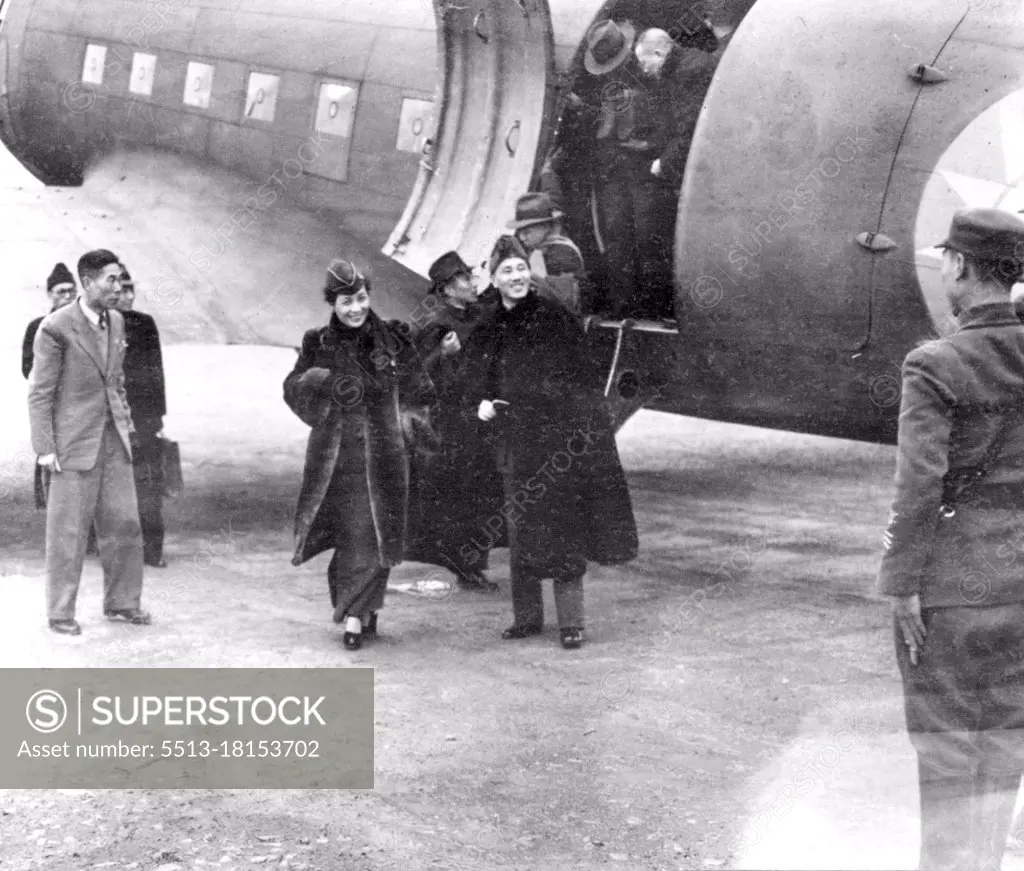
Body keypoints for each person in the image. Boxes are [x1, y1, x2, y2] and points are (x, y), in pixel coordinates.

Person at [878, 207, 1024, 871]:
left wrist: (901, 584)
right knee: (1003, 750)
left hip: (952, 591)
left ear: (962, 267)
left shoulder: (933, 363)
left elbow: (919, 488)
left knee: (945, 755)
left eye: (947, 261)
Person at [460, 236, 638, 649]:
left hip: (556, 444)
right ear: (494, 278)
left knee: (562, 529)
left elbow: (582, 383)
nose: (517, 276)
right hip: (512, 445)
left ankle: (571, 622)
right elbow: (471, 381)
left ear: (530, 270)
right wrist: (480, 405)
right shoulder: (488, 327)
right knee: (519, 530)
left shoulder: (556, 319)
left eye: (521, 268)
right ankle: (527, 619)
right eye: (507, 270)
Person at [284, 258, 436, 651]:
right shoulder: (317, 342)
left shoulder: (394, 338)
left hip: (386, 457)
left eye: (361, 298)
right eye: (345, 301)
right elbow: (292, 387)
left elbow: (422, 391)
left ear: (369, 296)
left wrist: (408, 423)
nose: (355, 308)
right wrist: (321, 380)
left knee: (374, 535)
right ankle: (363, 611)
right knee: (352, 537)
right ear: (331, 303)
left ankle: (353, 617)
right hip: (336, 460)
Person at [28, 249, 150, 635]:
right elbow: (39, 393)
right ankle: (60, 612)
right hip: (72, 446)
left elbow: (115, 381)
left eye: (120, 280)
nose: (118, 287)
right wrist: (45, 449)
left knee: (125, 524)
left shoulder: (116, 321)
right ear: (88, 282)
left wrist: (127, 426)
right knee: (68, 531)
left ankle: (123, 603)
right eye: (110, 280)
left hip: (114, 440)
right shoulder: (55, 327)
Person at [593, 27, 712, 319]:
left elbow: (684, 125)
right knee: (628, 237)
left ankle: (654, 309)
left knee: (648, 239)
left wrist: (663, 160)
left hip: (648, 165)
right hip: (632, 165)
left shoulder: (676, 72)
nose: (643, 69)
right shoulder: (661, 70)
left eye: (645, 62)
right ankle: (636, 309)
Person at [405, 251, 501, 592]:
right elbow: (416, 376)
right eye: (464, 278)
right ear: (447, 288)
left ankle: (470, 564)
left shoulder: (467, 312)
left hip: (476, 418)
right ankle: (465, 566)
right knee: (462, 497)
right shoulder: (437, 323)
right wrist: (444, 356)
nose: (472, 282)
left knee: (478, 494)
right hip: (451, 424)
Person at [113, 264, 168, 568]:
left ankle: (153, 549)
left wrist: (158, 418)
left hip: (144, 416)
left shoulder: (145, 324)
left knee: (148, 483)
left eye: (131, 289)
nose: (128, 296)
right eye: (122, 290)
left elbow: (156, 371)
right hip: (113, 415)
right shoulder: (103, 324)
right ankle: (111, 548)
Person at [22, 262, 78, 509]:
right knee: (51, 458)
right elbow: (27, 367)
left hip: (82, 406)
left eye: (70, 290)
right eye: (60, 292)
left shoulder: (84, 324)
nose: (67, 297)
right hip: (53, 404)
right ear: (50, 295)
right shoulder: (38, 326)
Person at [507, 192, 589, 316]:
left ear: (545, 226)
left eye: (527, 232)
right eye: (520, 232)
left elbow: (565, 301)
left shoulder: (562, 253)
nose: (522, 237)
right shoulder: (539, 249)